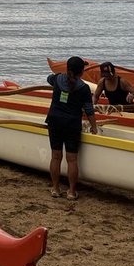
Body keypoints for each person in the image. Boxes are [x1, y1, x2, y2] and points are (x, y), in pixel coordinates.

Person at [45, 55, 98, 200]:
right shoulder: (84, 88)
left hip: (54, 120)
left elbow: (49, 79)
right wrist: (94, 127)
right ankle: (71, 192)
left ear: (67, 68)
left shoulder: (58, 79)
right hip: (72, 124)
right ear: (82, 72)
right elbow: (89, 110)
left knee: (56, 156)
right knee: (72, 159)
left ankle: (55, 189)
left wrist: (57, 77)